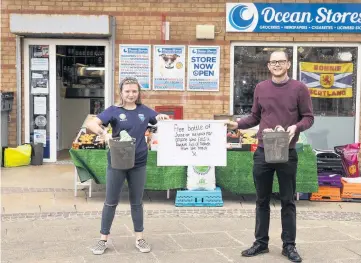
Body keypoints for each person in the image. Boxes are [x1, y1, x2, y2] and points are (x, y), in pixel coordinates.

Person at [226, 50, 314, 263]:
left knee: (287, 201)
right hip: (263, 151)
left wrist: (295, 127)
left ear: (288, 64)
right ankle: (261, 242)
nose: (277, 65)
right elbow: (256, 116)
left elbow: (309, 118)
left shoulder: (299, 89)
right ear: (268, 66)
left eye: (281, 61)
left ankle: (289, 245)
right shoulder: (261, 88)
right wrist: (237, 124)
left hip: (288, 151)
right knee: (261, 200)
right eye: (273, 62)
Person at [86, 77, 169, 255]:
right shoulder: (113, 111)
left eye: (134, 91)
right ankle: (103, 239)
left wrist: (161, 117)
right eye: (127, 91)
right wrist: (104, 133)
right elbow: (91, 123)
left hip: (138, 162)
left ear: (138, 93)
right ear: (121, 93)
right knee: (110, 201)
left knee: (137, 202)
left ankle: (140, 238)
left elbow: (157, 119)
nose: (131, 94)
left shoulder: (144, 110)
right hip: (117, 162)